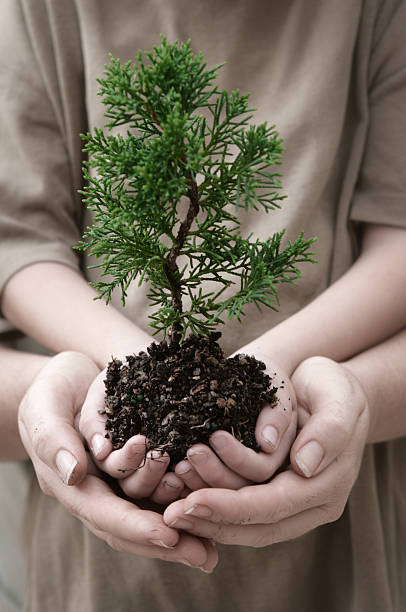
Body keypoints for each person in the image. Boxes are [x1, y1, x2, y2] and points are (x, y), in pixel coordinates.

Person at [0, 0, 405, 610]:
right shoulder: (41, 11)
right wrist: (126, 362)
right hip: (101, 578)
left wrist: (276, 365)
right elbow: (19, 241)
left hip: (336, 560)